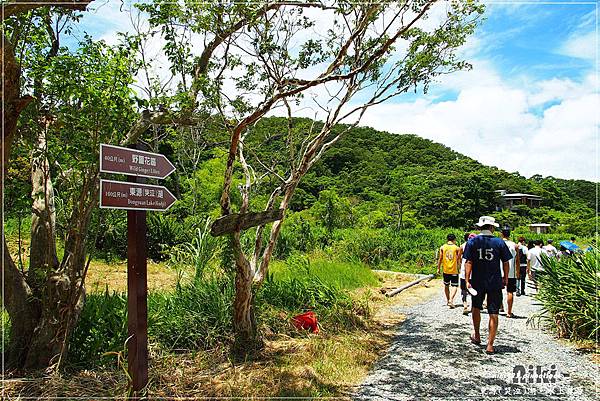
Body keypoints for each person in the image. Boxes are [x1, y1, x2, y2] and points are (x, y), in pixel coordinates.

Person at [464, 216, 512, 355]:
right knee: (493, 312)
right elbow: (506, 262)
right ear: (492, 228)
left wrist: (467, 280)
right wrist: (506, 278)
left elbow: (468, 262)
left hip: (478, 281)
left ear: (480, 227)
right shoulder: (499, 242)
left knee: (476, 307)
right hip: (494, 281)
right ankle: (490, 345)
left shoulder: (472, 242)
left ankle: (477, 335)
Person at [438, 233, 460, 308]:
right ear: (454, 239)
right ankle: (451, 300)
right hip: (454, 270)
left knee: (446, 285)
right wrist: (459, 267)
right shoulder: (457, 248)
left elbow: (440, 258)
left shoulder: (442, 247)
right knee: (455, 286)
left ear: (447, 239)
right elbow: (458, 259)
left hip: (445, 270)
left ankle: (448, 301)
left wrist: (438, 268)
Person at [500, 228, 519, 317]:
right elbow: (517, 260)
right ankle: (509, 312)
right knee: (510, 292)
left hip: (499, 271)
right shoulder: (515, 245)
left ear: (501, 234)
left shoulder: (498, 243)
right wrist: (518, 272)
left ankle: (501, 307)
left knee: (498, 290)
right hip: (511, 272)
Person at [458, 233, 477, 315]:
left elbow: (458, 258)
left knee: (463, 289)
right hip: (474, 272)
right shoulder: (477, 246)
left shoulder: (462, 246)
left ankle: (465, 305)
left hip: (464, 271)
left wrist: (460, 265)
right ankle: (473, 307)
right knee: (474, 290)